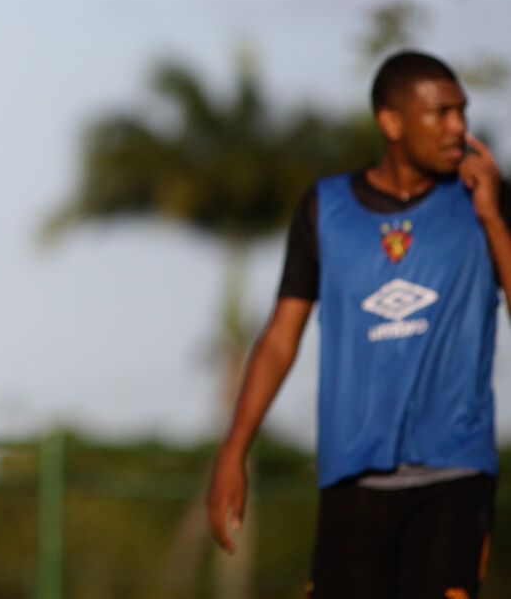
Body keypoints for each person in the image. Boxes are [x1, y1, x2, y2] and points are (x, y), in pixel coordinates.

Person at [206, 50, 511, 598]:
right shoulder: (325, 209)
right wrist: (233, 452)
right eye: (440, 113)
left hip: (454, 479)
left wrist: (492, 218)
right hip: (351, 480)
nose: (458, 127)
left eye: (462, 111)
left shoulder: (483, 197)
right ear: (391, 122)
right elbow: (280, 339)